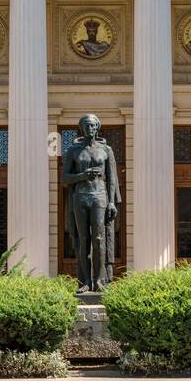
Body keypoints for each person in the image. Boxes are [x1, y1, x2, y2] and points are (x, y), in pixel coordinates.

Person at [62, 114, 120, 291]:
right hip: (80, 196)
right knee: (83, 239)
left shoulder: (106, 150)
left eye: (93, 125)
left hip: (100, 196)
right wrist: (83, 175)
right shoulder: (74, 150)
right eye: (86, 125)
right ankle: (86, 281)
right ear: (81, 128)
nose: (90, 128)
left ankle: (100, 281)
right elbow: (64, 179)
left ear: (98, 127)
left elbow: (112, 179)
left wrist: (112, 203)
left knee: (99, 238)